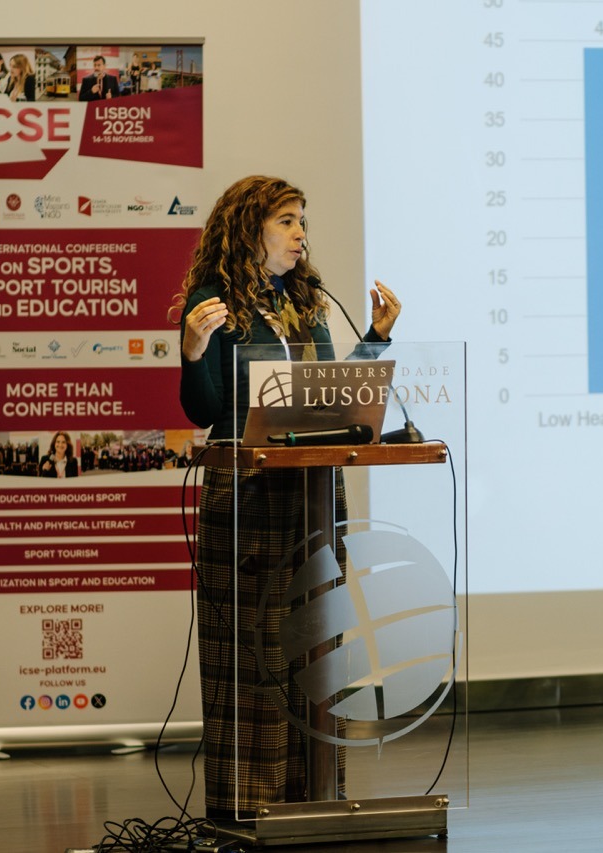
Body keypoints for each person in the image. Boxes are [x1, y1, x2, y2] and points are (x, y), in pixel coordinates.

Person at [175, 175, 400, 821]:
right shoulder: (214, 302)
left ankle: (315, 795)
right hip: (248, 494)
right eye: (288, 220)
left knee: (315, 646)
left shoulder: (305, 302)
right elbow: (204, 409)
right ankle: (249, 806)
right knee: (254, 653)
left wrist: (376, 340)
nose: (301, 233)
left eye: (303, 220)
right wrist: (192, 350)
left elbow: (332, 397)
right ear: (250, 229)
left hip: (312, 490)